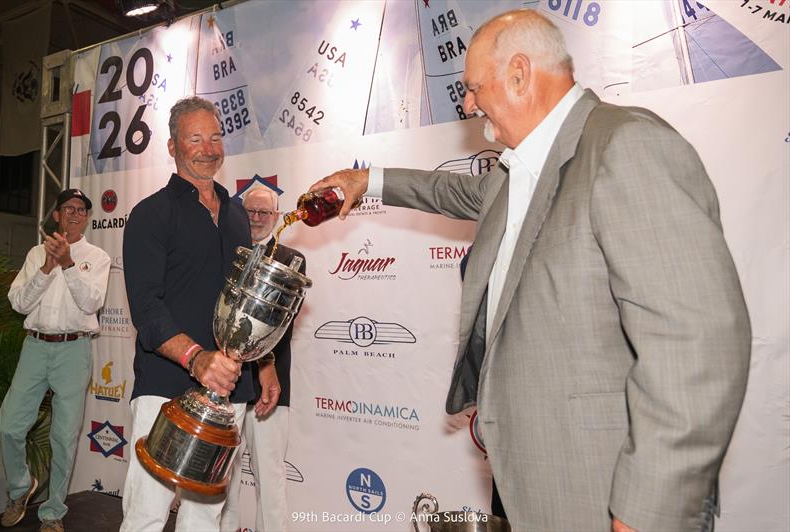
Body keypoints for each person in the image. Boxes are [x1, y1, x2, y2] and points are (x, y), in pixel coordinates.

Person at [311, 9, 751, 532]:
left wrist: (648, 510)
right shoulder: (517, 171)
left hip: (601, 490)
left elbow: (697, 345)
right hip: (532, 482)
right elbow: (450, 191)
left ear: (519, 75)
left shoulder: (626, 146)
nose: (468, 104)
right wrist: (366, 180)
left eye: (474, 88)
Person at [120, 96, 255, 531]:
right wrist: (197, 358)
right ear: (173, 146)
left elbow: (244, 302)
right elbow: (146, 308)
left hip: (229, 387)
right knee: (146, 512)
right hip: (166, 386)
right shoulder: (150, 214)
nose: (208, 149)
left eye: (215, 137)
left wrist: (266, 363)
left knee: (205, 515)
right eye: (195, 139)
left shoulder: (237, 214)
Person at [0, 188, 110, 532]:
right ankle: (21, 488)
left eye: (81, 210)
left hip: (74, 349)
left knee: (63, 436)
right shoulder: (36, 253)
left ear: (87, 218)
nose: (75, 214)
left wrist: (68, 264)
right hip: (35, 346)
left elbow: (91, 304)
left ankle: (53, 512)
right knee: (9, 425)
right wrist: (47, 267)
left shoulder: (97, 257)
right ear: (57, 215)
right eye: (68, 209)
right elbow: (19, 303)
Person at [221, 186, 305, 532]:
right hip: (226, 381)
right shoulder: (227, 251)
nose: (256, 219)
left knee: (270, 474)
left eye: (264, 213)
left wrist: (264, 364)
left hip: (271, 383)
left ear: (276, 216)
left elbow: (279, 325)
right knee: (223, 475)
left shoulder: (291, 259)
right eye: (250, 211)